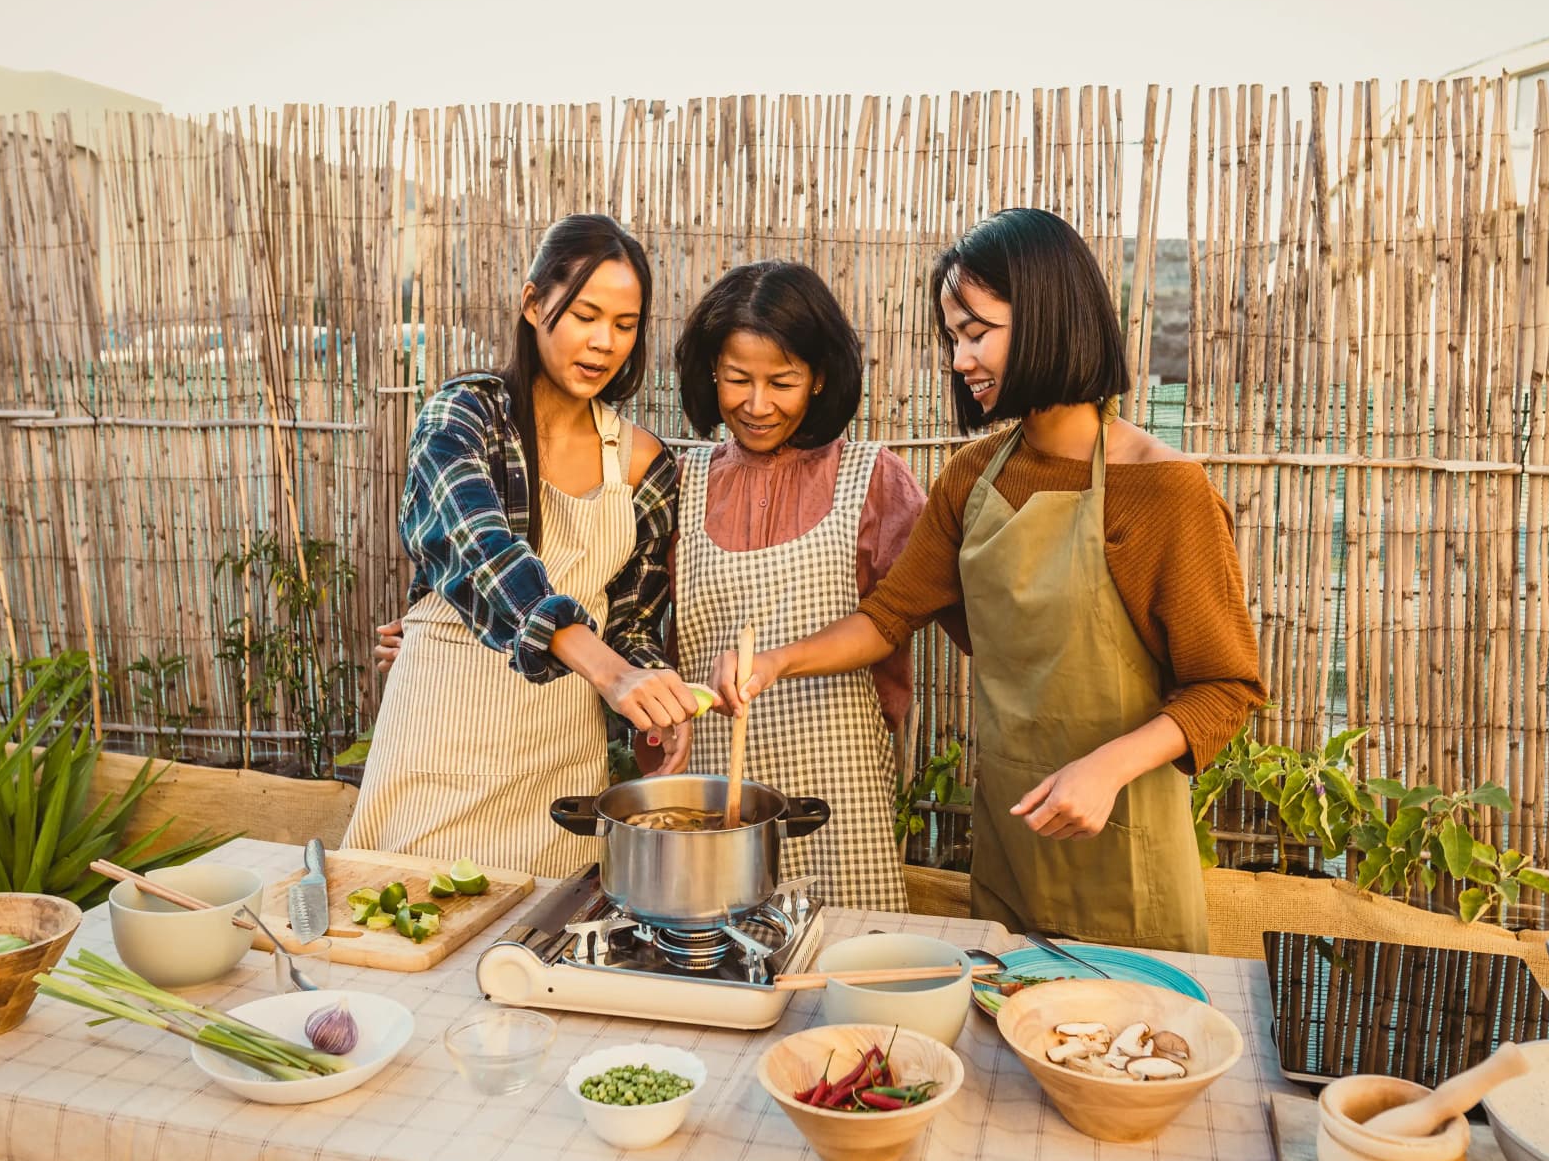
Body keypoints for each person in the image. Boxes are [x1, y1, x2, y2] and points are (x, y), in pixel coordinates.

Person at [712, 209, 1267, 950]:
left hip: (1125, 846)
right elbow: (889, 616)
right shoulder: (972, 477)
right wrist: (775, 662)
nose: (959, 359)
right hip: (1009, 838)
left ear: (1045, 315)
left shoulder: (1165, 490)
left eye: (976, 332)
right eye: (952, 338)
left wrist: (1105, 768)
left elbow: (1225, 688)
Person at [343, 213, 697, 876]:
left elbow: (634, 626)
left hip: (557, 761)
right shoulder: (464, 416)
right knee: (397, 927)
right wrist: (610, 671)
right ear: (534, 304)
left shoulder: (647, 465)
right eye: (586, 315)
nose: (604, 343)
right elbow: (477, 547)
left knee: (541, 955)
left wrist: (648, 698)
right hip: (437, 744)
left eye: (625, 325)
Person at [662, 260, 926, 910]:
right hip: (712, 792)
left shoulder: (875, 480)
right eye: (737, 379)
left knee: (845, 980)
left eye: (782, 381)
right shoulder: (678, 485)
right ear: (710, 372)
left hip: (837, 796)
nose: (756, 405)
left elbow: (913, 611)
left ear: (820, 378)